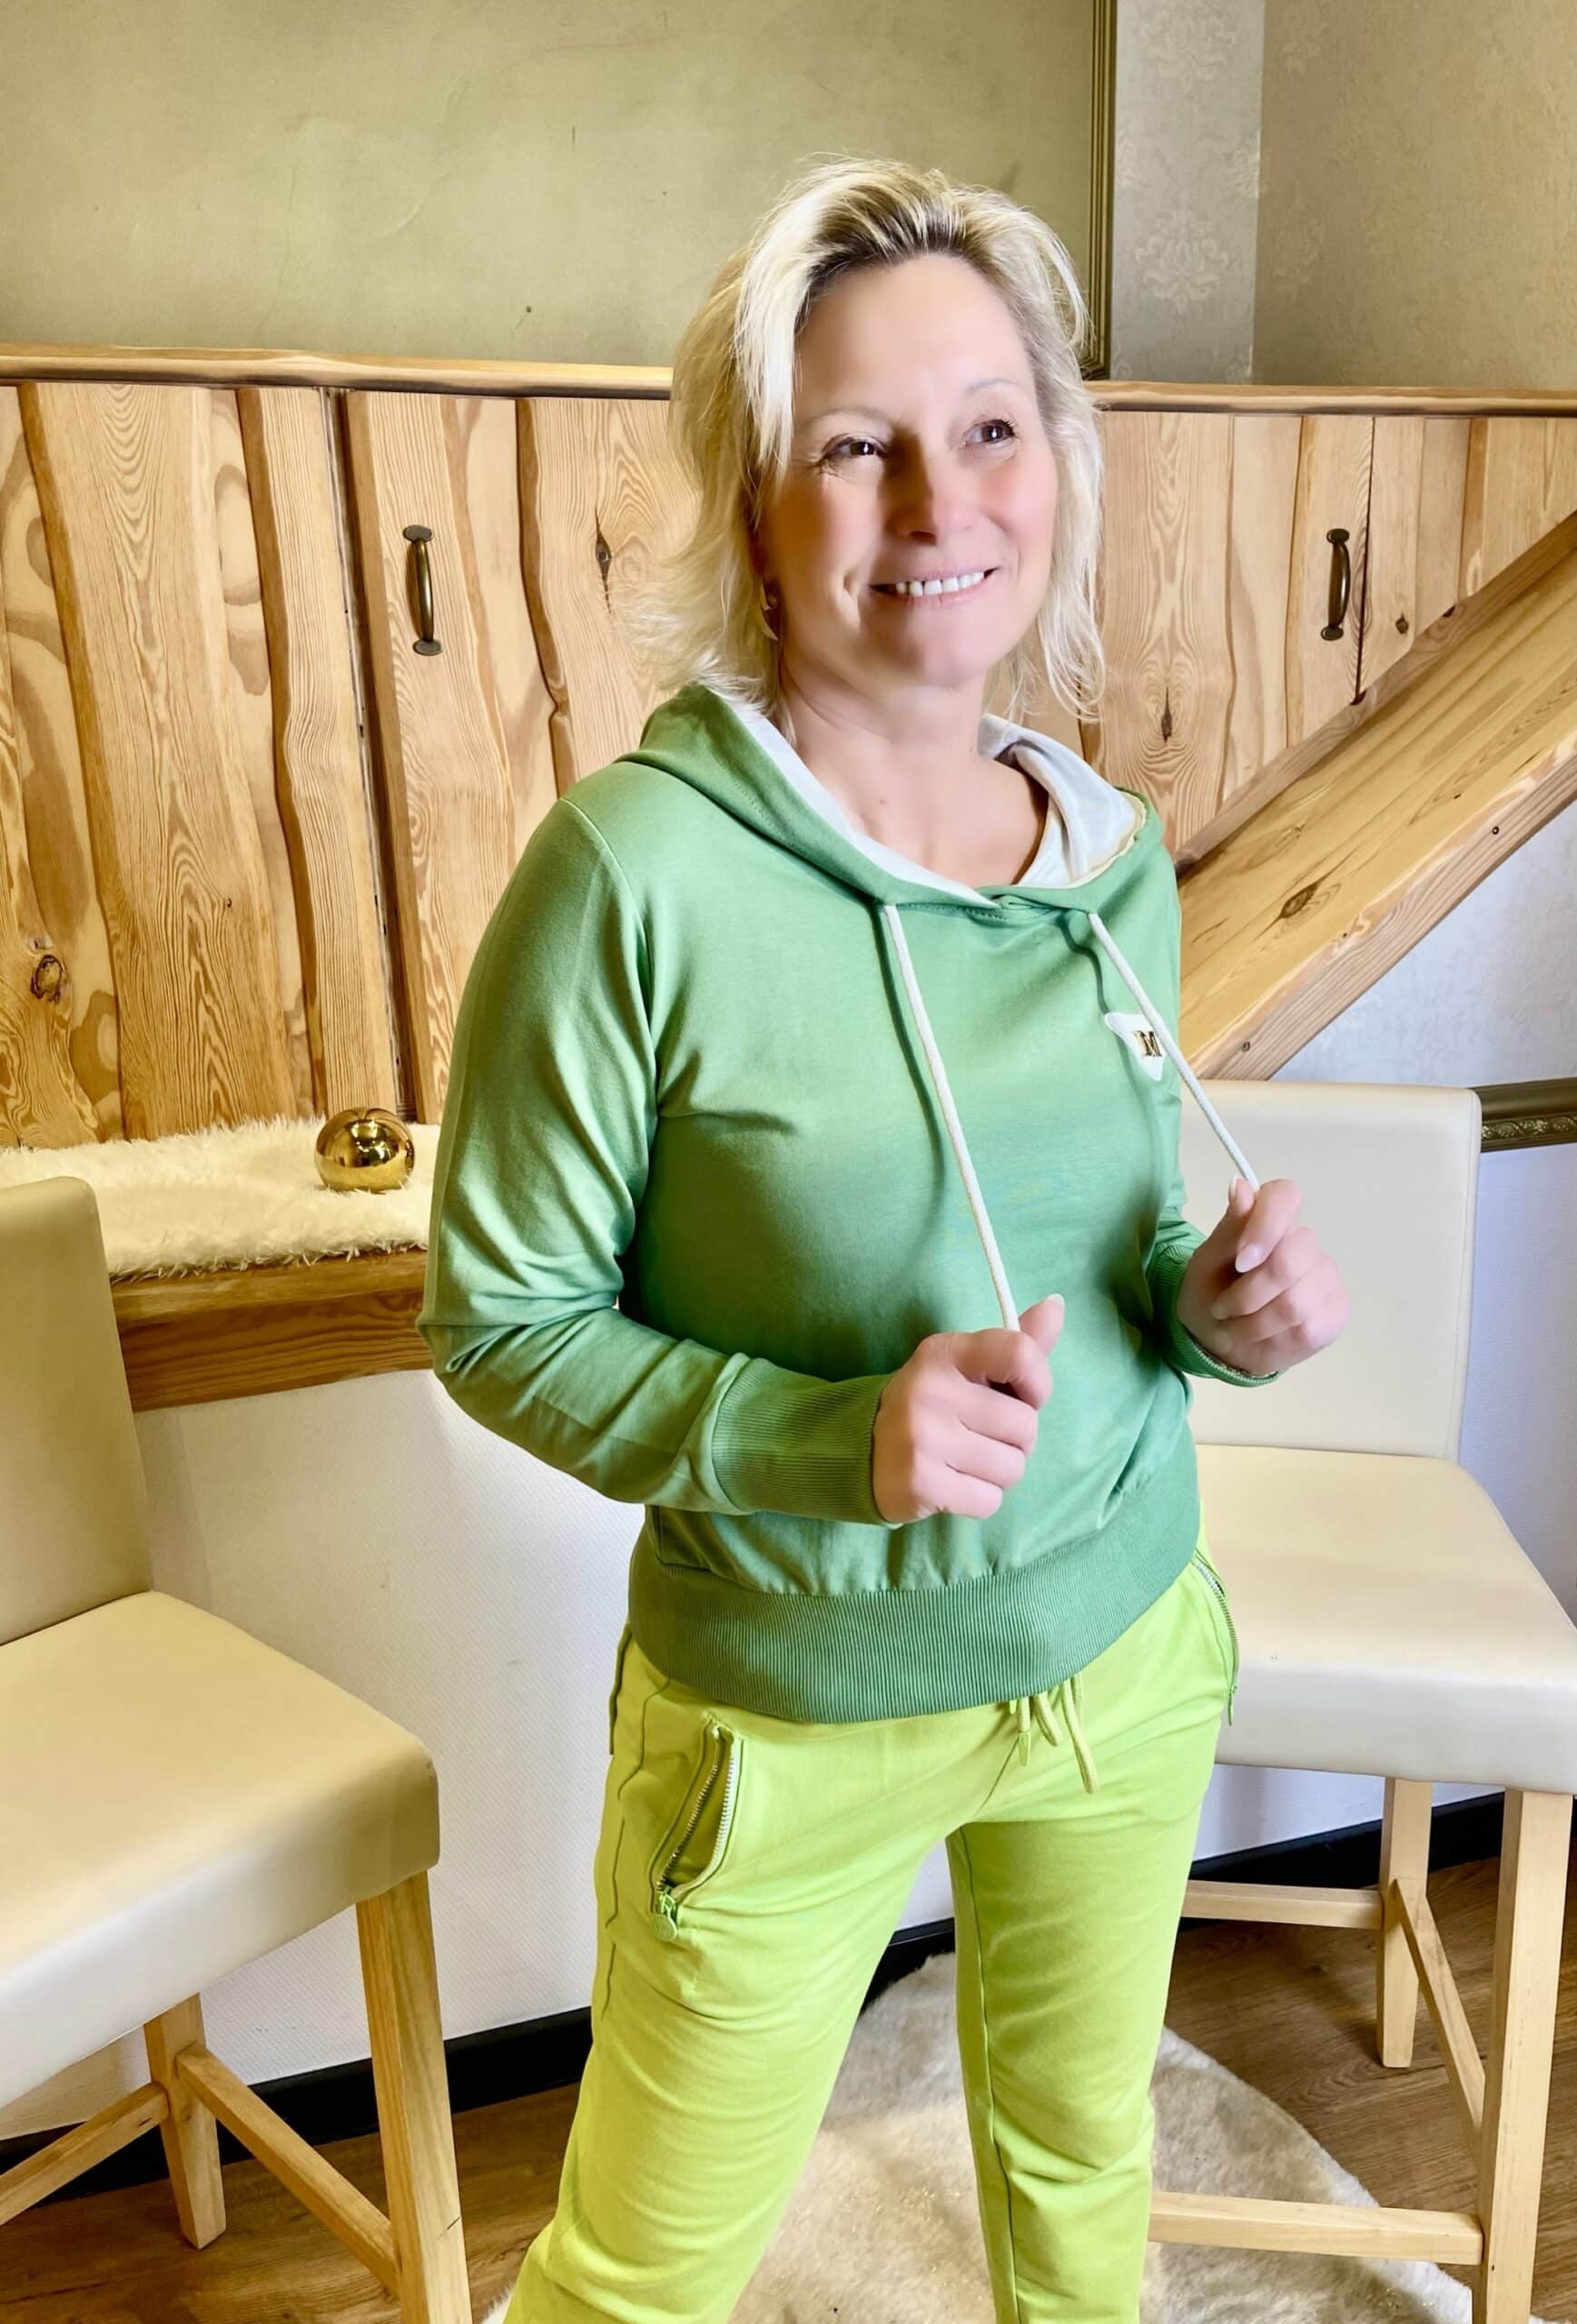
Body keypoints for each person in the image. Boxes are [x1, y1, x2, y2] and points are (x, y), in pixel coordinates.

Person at [419, 154, 1348, 2324]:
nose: (938, 502)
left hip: (1124, 1644)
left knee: (1080, 2171)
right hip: (788, 1712)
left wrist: (1204, 1312)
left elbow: (1101, 1250)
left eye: (989, 426)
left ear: (1057, 466)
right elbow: (497, 1320)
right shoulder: (626, 877)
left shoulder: (1109, 861)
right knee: (636, 2274)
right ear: (756, 505)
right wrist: (833, 1435)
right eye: (856, 444)